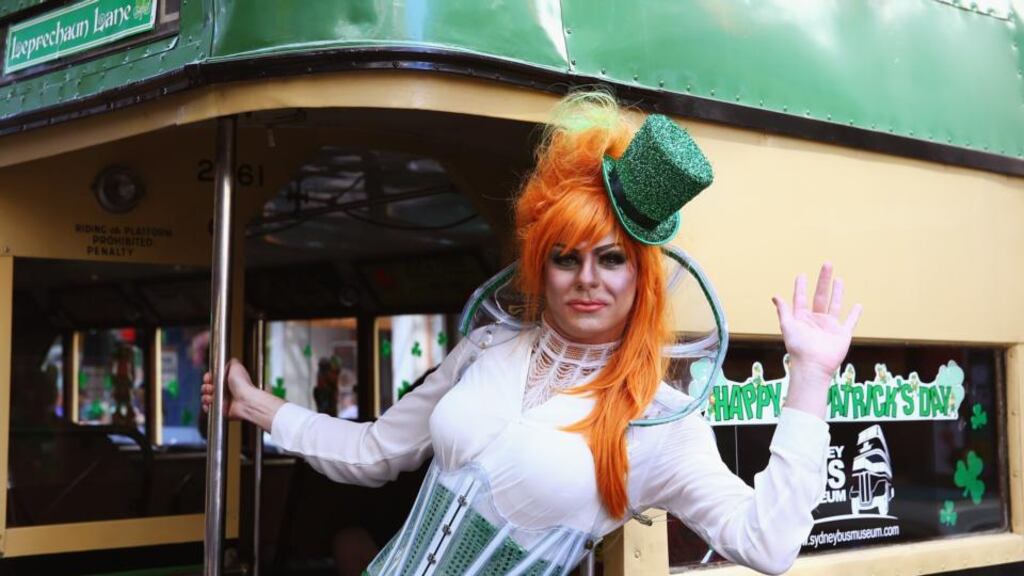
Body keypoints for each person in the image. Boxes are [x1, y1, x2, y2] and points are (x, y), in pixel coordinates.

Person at [203, 92, 862, 575]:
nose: (587, 280)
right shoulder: (487, 349)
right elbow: (375, 451)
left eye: (611, 260)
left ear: (640, 280)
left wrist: (810, 379)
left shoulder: (658, 424)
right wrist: (252, 403)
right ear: (539, 268)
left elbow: (770, 544)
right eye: (566, 257)